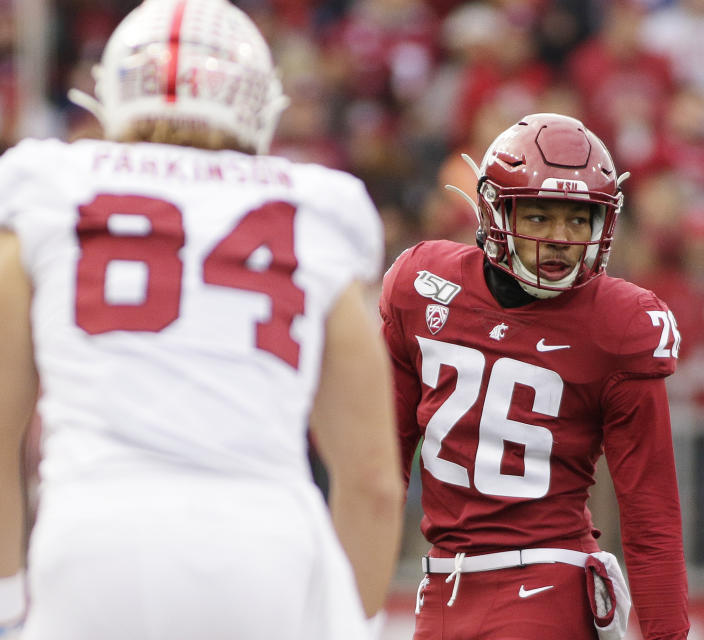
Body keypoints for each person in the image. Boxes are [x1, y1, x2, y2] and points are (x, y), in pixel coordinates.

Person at [0, 1, 403, 638]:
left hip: (94, 538)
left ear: (115, 89)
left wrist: (7, 597)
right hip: (262, 545)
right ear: (257, 101)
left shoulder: (48, 185)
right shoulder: (316, 207)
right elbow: (374, 479)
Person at [379, 113, 689, 640]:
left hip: (549, 581)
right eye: (540, 217)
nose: (561, 238)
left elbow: (651, 512)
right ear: (496, 211)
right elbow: (383, 463)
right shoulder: (422, 286)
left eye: (578, 219)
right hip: (442, 585)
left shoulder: (618, 324)